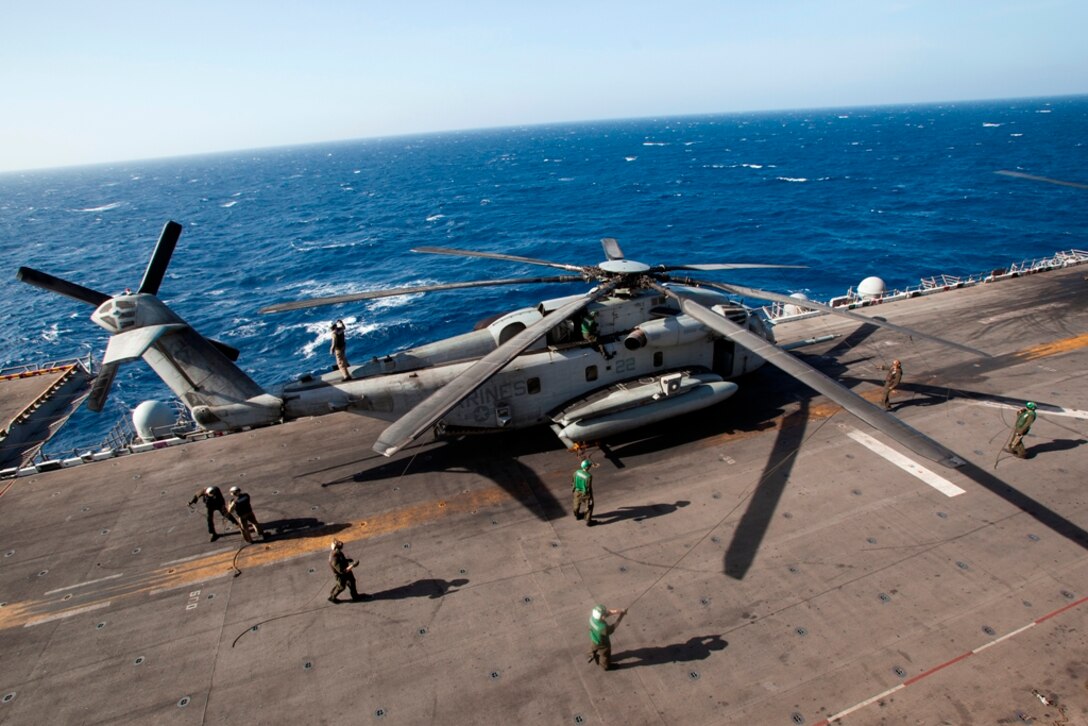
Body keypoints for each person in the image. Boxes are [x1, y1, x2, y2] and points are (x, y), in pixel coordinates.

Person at [588, 604, 627, 670]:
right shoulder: (603, 628)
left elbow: (609, 612)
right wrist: (621, 616)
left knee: (593, 647)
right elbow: (614, 626)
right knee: (605, 655)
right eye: (604, 614)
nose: (606, 615)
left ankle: (591, 654)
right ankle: (605, 666)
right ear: (601, 616)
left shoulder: (592, 618)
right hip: (603, 643)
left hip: (594, 638)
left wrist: (620, 611)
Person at [572, 459, 595, 525]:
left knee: (576, 504)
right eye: (589, 466)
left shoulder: (576, 472)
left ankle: (577, 515)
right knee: (589, 506)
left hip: (577, 492)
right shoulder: (588, 476)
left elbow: (573, 482)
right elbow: (588, 487)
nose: (590, 467)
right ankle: (588, 521)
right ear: (587, 467)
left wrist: (573, 490)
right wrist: (590, 496)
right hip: (585, 494)